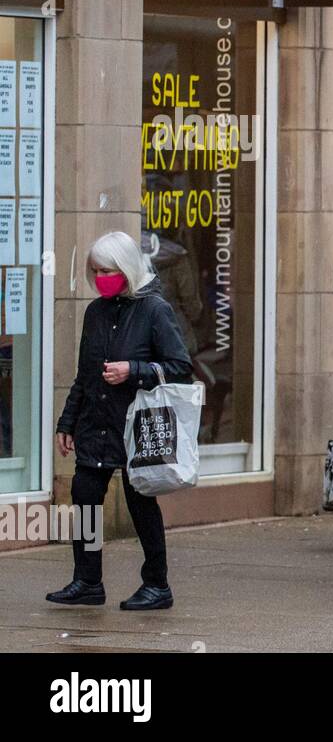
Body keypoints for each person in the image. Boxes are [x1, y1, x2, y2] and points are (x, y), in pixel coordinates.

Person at [47, 232, 192, 610]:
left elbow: (181, 369)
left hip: (136, 426)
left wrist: (135, 370)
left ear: (126, 269)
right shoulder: (95, 312)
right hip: (95, 422)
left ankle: (157, 584)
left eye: (106, 270)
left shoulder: (155, 310)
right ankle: (87, 580)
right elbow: (85, 374)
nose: (100, 278)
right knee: (85, 497)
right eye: (94, 271)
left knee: (140, 503)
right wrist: (67, 423)